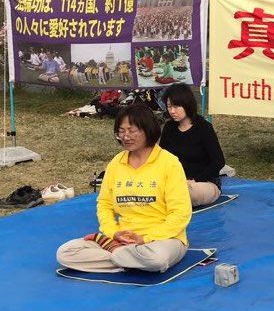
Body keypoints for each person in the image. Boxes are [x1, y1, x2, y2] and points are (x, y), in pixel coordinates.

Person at [56, 104, 191, 273]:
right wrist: (114, 233)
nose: (126, 136)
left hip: (163, 240)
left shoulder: (169, 163)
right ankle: (125, 259)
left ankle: (120, 257)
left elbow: (180, 213)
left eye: (132, 131)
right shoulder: (116, 163)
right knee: (65, 253)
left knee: (157, 259)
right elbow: (104, 204)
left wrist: (145, 238)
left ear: (148, 130)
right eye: (121, 131)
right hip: (122, 240)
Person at [159, 83, 226, 207]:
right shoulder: (169, 128)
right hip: (174, 182)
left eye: (176, 106)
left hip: (202, 183)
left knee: (183, 193)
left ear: (187, 104)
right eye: (169, 107)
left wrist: (195, 180)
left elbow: (219, 161)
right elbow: (161, 157)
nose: (172, 111)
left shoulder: (204, 128)